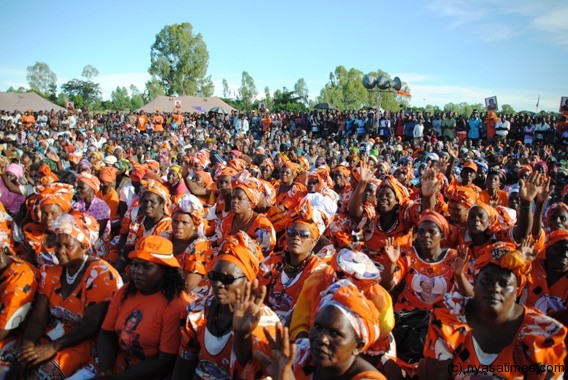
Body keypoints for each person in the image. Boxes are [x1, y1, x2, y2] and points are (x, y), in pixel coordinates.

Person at [421, 243, 567, 379]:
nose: (495, 288)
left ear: (518, 290)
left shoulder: (541, 332)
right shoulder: (449, 319)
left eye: (504, 283)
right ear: (474, 281)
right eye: (486, 280)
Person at [12, 211, 121, 379]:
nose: (59, 251)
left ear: (84, 246)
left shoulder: (101, 275)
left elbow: (92, 325)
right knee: (11, 365)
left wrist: (53, 347)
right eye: (58, 245)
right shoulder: (50, 271)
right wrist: (27, 348)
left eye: (67, 246)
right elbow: (38, 317)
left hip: (82, 341)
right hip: (52, 333)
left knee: (42, 376)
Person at [173, 232, 279, 379]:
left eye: (227, 279)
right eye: (214, 276)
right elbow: (184, 365)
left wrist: (243, 336)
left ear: (248, 281)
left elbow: (260, 372)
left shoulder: (266, 323)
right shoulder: (197, 311)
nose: (217, 284)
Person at [96, 236, 188, 378]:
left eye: (147, 266)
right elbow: (107, 333)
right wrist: (105, 369)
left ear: (165, 270)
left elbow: (165, 361)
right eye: (136, 264)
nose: (138, 271)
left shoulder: (175, 305)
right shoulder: (126, 291)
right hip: (116, 365)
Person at [256, 280, 386, 380]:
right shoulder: (301, 352)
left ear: (358, 345)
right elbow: (251, 364)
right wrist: (241, 333)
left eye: (335, 333)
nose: (321, 338)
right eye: (317, 327)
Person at [259, 199, 326, 324]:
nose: (296, 237)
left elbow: (307, 313)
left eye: (303, 234)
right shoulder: (272, 262)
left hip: (296, 327)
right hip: (265, 322)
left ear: (313, 242)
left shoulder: (318, 270)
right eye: (292, 233)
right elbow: (257, 296)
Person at [216, 171, 276, 255]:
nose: (234, 201)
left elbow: (265, 251)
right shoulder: (227, 220)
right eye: (233, 198)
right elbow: (218, 243)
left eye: (240, 198)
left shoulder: (263, 225)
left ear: (250, 203)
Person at [171, 193, 212, 297]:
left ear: (195, 225)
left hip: (191, 297)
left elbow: (188, 285)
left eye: (185, 223)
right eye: (175, 221)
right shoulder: (166, 237)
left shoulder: (200, 246)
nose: (178, 226)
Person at [74, 172, 110, 237]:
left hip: (99, 239)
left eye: (82, 188)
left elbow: (99, 232)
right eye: (78, 188)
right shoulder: (78, 204)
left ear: (92, 189)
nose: (78, 190)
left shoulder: (101, 206)